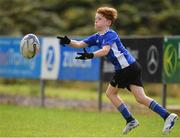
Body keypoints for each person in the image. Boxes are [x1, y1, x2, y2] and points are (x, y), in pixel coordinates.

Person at [57, 7, 178, 134]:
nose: (96, 21)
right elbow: (80, 44)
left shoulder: (110, 34)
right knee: (140, 98)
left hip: (125, 68)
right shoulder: (97, 36)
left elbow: (105, 50)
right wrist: (68, 41)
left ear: (108, 22)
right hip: (131, 67)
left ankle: (130, 120)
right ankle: (167, 116)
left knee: (110, 94)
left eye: (99, 19)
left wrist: (90, 55)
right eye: (95, 19)